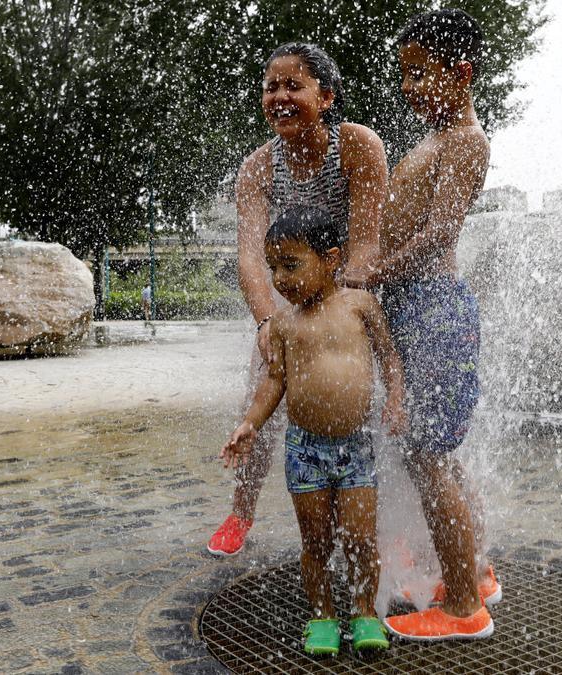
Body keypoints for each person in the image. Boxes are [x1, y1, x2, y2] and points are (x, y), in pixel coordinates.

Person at [207, 43, 388, 556]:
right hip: (285, 304)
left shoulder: (357, 146)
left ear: (325, 96)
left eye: (294, 86)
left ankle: (383, 525)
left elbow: (368, 239)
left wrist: (341, 308)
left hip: (352, 293)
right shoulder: (258, 168)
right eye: (271, 87)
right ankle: (241, 512)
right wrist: (267, 322)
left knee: (364, 403)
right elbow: (249, 257)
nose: (280, 96)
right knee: (258, 397)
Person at [221, 206, 406, 655]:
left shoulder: (360, 305)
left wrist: (397, 399)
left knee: (361, 537)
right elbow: (274, 381)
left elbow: (389, 358)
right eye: (274, 269)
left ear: (330, 258)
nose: (280, 279)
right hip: (305, 450)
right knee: (317, 541)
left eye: (291, 264)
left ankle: (364, 611)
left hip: (355, 447)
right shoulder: (283, 324)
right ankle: (322, 614)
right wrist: (250, 422)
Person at [367, 8, 498, 641]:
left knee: (428, 456)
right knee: (437, 453)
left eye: (420, 74)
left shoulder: (466, 141)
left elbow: (442, 231)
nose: (408, 87)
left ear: (462, 72)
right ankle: (474, 569)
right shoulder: (437, 136)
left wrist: (374, 275)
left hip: (433, 306)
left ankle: (465, 608)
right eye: (404, 74)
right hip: (418, 305)